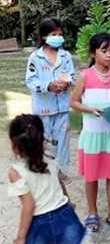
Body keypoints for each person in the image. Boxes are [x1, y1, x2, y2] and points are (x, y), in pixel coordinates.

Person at [70, 33, 110, 233]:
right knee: (92, 176)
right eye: (104, 51)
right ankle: (92, 213)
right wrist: (90, 109)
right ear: (93, 53)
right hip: (93, 135)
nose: (109, 55)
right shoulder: (85, 75)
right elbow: (74, 102)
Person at [7, 114, 86, 244]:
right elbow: (60, 183)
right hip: (64, 217)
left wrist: (20, 240)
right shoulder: (50, 158)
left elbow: (28, 206)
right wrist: (68, 202)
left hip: (40, 225)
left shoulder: (16, 172)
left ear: (14, 145)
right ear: (41, 138)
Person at [25, 17, 75, 183]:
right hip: (44, 108)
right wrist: (48, 86)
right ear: (45, 36)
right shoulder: (35, 57)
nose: (58, 37)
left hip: (62, 107)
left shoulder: (65, 56)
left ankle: (61, 170)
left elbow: (72, 76)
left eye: (60, 34)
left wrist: (67, 82)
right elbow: (31, 81)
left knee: (63, 139)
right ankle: (45, 167)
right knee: (45, 139)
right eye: (54, 34)